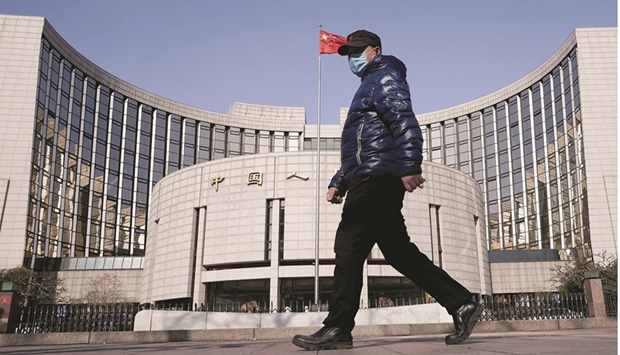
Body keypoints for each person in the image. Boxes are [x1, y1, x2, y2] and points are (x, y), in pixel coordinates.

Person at [292, 30, 483, 351]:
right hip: (370, 175)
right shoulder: (370, 83)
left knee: (349, 248)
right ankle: (462, 303)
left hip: (377, 178)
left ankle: (338, 327)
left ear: (375, 50)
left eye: (357, 51)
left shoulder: (384, 76)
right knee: (398, 251)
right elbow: (364, 145)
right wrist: (340, 179)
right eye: (348, 53)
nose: (351, 58)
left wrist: (410, 165)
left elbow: (404, 121)